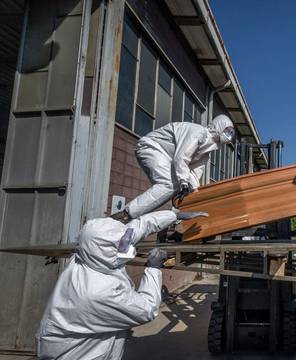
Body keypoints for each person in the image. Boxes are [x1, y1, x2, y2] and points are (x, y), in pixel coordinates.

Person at [36, 210, 205, 359]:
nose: (127, 245)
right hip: (80, 354)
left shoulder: (86, 257)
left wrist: (173, 215)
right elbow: (146, 310)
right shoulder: (98, 292)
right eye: (121, 244)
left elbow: (138, 227)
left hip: (79, 343)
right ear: (105, 250)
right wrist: (153, 270)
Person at [112, 114, 235, 222]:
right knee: (169, 185)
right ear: (219, 126)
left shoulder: (208, 149)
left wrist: (195, 193)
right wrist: (184, 182)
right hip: (151, 146)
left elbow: (195, 172)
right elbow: (182, 157)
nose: (229, 135)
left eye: (231, 133)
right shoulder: (199, 132)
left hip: (167, 157)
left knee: (176, 187)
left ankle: (134, 217)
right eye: (227, 130)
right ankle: (126, 214)